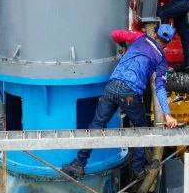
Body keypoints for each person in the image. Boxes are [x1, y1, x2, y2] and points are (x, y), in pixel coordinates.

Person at [60, 24, 180, 179]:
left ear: (155, 34)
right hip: (129, 94)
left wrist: (124, 47)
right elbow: (160, 88)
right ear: (168, 42)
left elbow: (116, 33)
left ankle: (78, 164)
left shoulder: (139, 38)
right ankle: (138, 169)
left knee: (96, 125)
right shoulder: (161, 60)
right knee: (142, 130)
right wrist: (167, 115)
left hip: (111, 86)